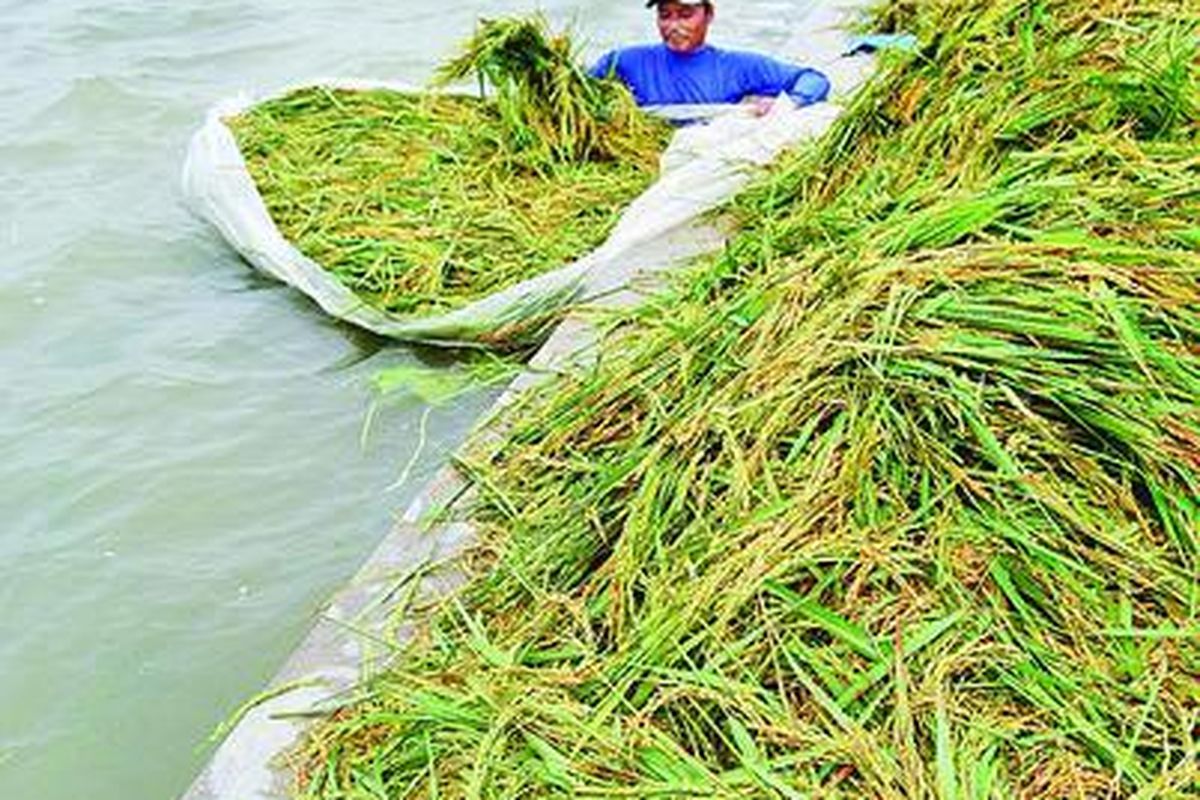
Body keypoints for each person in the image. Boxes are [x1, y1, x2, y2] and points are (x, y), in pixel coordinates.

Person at [589, 0, 831, 112]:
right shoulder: (626, 61)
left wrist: (789, 104)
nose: (673, 26)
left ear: (709, 15)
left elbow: (813, 80)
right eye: (665, 15)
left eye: (685, 15)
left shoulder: (736, 66)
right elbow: (582, 89)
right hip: (644, 157)